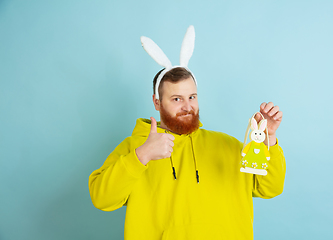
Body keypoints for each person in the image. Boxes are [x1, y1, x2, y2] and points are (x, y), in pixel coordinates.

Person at [89, 27, 286, 240]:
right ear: (157, 102)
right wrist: (142, 156)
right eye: (176, 99)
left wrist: (269, 138)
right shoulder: (134, 148)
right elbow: (102, 199)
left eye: (192, 97)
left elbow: (270, 188)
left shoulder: (229, 145)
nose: (187, 106)